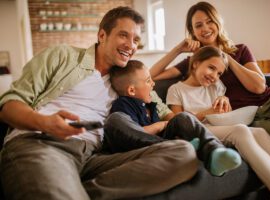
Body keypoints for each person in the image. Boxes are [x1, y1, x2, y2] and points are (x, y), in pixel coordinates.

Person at [0, 6, 200, 200]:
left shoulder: (129, 81)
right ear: (102, 36)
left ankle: (80, 190)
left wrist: (192, 125)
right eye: (123, 35)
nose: (131, 45)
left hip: (93, 156)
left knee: (183, 153)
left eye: (136, 39)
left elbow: (168, 114)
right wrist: (43, 123)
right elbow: (9, 105)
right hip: (43, 143)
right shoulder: (63, 56)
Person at [150, 1, 270, 170]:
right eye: (198, 25)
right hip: (252, 118)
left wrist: (227, 58)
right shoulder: (194, 63)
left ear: (217, 22)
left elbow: (259, 87)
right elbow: (151, 76)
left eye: (209, 21)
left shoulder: (240, 50)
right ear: (193, 32)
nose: (205, 28)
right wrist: (178, 49)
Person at [166, 46, 270, 200]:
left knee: (261, 132)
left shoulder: (216, 86)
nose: (214, 76)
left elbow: (225, 112)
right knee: (240, 131)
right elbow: (180, 122)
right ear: (195, 63)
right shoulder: (176, 89)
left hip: (220, 126)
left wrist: (225, 99)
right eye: (211, 68)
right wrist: (205, 113)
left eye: (219, 73)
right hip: (201, 132)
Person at [103, 59, 242, 177]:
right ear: (132, 90)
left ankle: (214, 152)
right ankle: (179, 147)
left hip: (160, 142)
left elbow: (172, 121)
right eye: (147, 81)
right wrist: (161, 125)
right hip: (138, 148)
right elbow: (132, 134)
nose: (153, 84)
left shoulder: (151, 104)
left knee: (183, 117)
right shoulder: (124, 104)